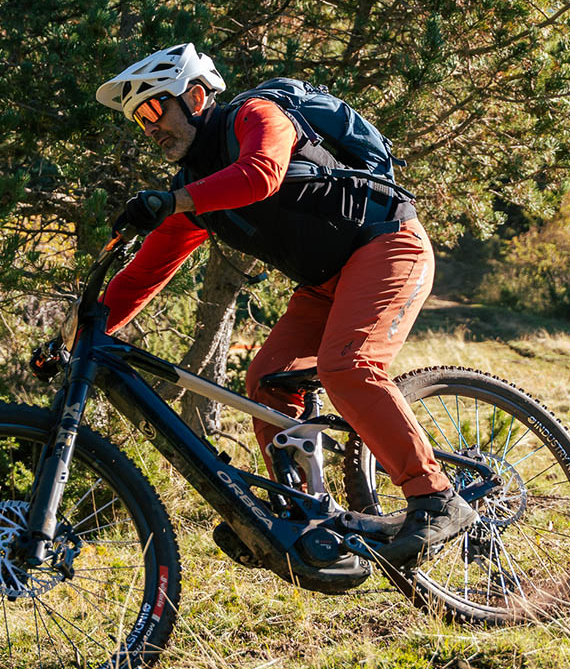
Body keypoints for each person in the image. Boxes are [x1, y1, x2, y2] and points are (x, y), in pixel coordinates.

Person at [95, 43, 476, 566]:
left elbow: (261, 173)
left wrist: (176, 201)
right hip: (324, 285)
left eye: (154, 108)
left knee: (347, 367)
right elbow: (141, 276)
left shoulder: (254, 115)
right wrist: (76, 336)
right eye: (140, 118)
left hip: (388, 244)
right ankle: (301, 514)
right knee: (268, 381)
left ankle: (436, 497)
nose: (150, 126)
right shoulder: (193, 189)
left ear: (197, 97)